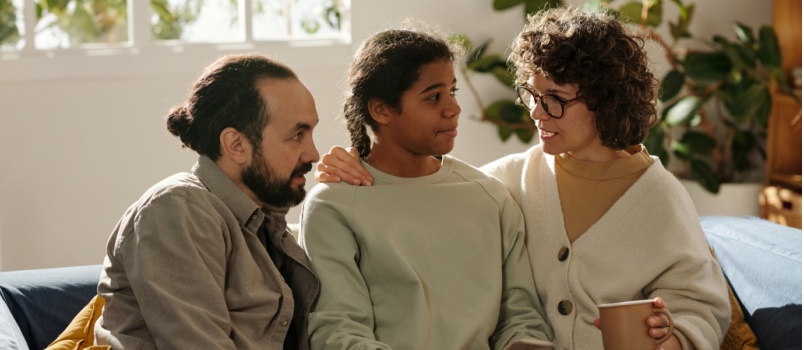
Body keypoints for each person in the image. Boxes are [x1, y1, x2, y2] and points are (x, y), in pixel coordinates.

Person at [314, 7, 731, 350]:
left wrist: (671, 341)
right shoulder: (507, 181)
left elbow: (700, 305)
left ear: (605, 100)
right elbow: (417, 188)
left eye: (555, 101)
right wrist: (345, 161)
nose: (536, 112)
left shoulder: (659, 196)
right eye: (532, 95)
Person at [299, 25, 554, 350]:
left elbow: (521, 317)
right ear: (381, 109)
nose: (453, 109)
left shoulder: (489, 196)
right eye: (433, 96)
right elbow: (338, 330)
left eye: (453, 91)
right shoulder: (333, 205)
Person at [94, 54, 321, 349]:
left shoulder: (267, 223)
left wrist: (350, 191)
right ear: (237, 145)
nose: (314, 154)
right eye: (297, 136)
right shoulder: (178, 210)